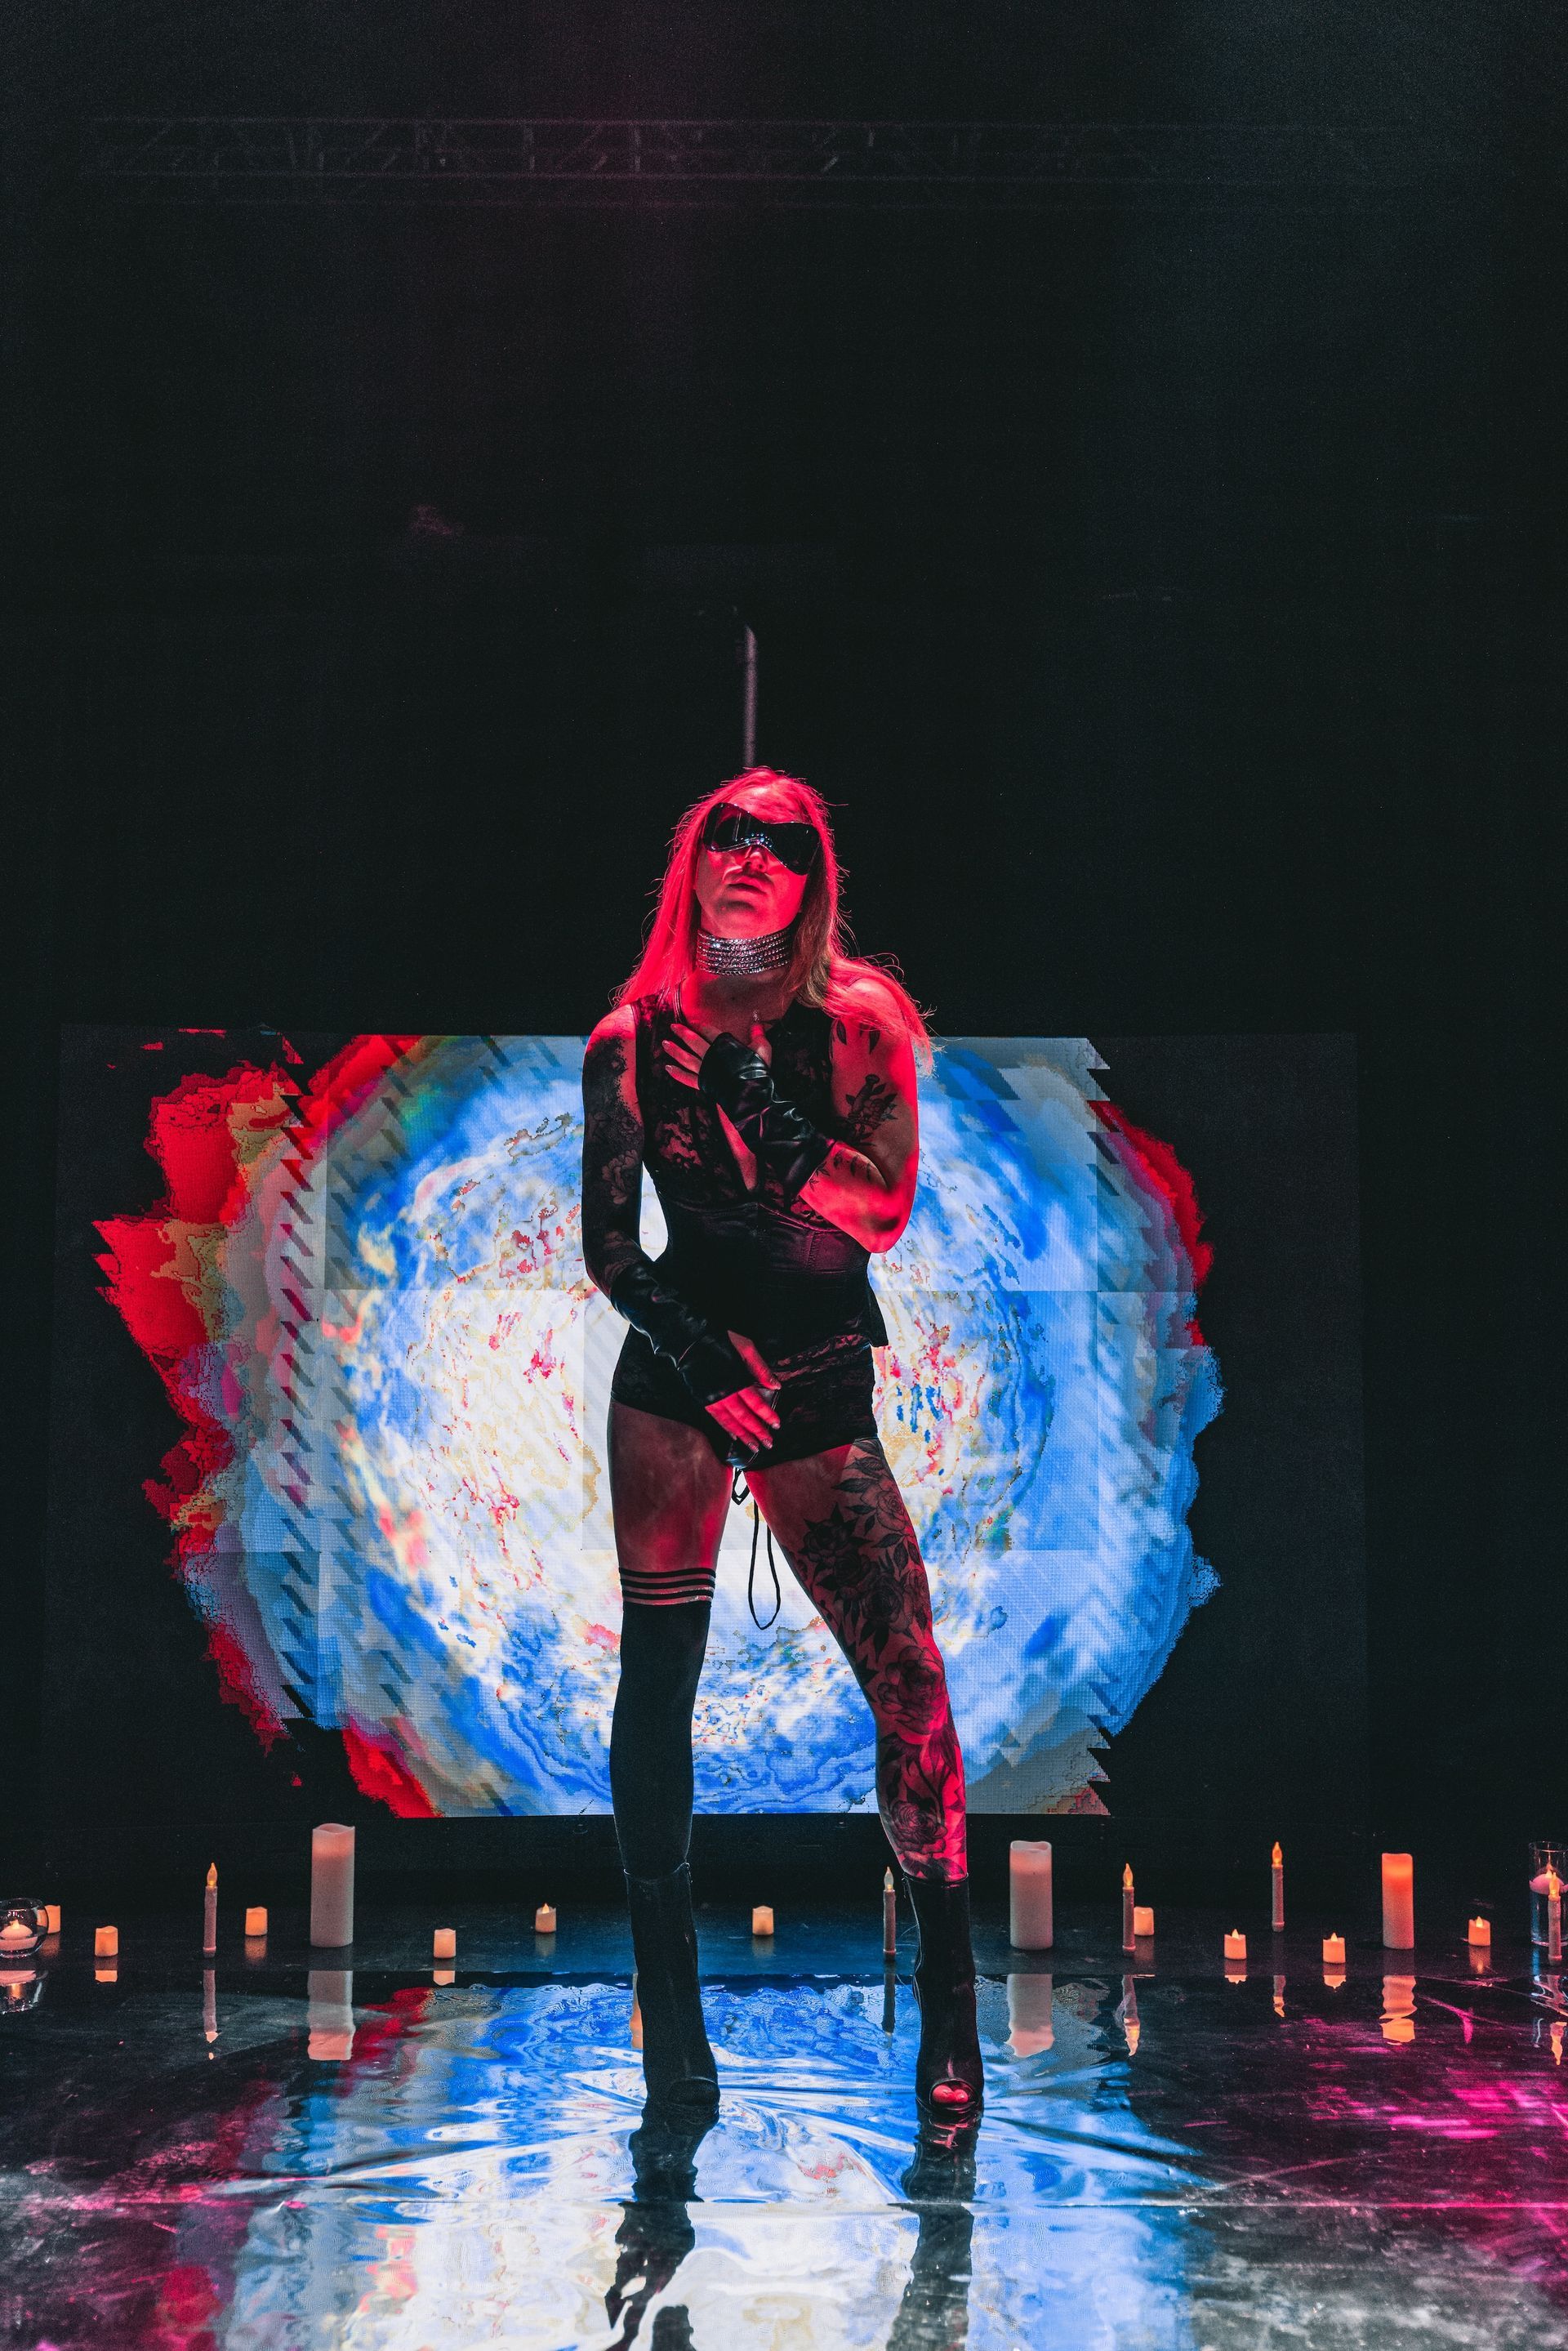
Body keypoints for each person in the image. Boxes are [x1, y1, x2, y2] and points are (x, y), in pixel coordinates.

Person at [580, 767, 983, 2126]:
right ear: (693, 862)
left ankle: (948, 2001)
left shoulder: (862, 1025)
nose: (752, 855)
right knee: (658, 1688)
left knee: (912, 1690)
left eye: (784, 841)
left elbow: (883, 1213)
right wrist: (700, 1359)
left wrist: (760, 1102)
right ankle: (674, 2037)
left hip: (815, 1379)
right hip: (683, 1378)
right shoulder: (629, 1038)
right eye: (728, 834)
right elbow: (607, 1247)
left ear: (814, 878)